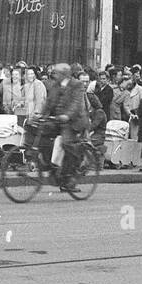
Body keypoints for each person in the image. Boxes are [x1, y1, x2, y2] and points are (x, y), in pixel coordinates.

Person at [39, 61, 89, 191]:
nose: (54, 75)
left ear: (64, 74)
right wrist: (41, 115)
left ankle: (69, 175)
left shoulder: (77, 85)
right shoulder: (56, 85)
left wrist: (67, 115)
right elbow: (49, 101)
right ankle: (53, 168)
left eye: (57, 73)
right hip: (58, 119)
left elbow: (76, 104)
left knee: (67, 143)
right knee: (42, 135)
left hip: (73, 121)